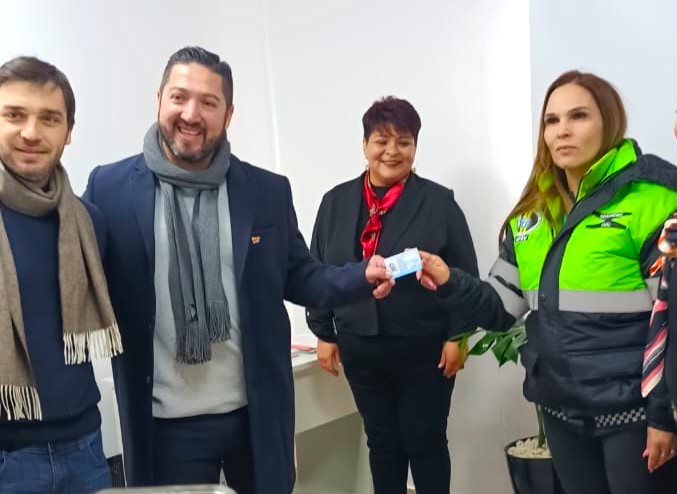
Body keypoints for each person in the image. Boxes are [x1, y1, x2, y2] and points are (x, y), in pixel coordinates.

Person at [83, 46, 393, 494]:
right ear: (159, 100)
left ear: (228, 114)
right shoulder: (109, 188)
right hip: (164, 424)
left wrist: (359, 277)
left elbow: (300, 275)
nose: (191, 114)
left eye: (208, 102)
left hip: (255, 416)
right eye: (179, 97)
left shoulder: (265, 191)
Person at [417, 71, 677, 494]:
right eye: (551, 121)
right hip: (560, 410)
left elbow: (670, 323)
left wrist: (664, 415)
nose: (562, 131)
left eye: (578, 116)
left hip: (634, 416)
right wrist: (449, 281)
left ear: (609, 121)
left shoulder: (655, 199)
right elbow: (500, 309)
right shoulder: (533, 216)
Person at [305, 96, 478, 494]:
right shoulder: (335, 203)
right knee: (382, 442)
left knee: (425, 441)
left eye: (404, 141)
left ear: (415, 146)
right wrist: (324, 332)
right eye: (382, 141)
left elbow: (464, 273)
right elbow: (318, 271)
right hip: (360, 345)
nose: (392, 151)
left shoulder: (439, 202)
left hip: (424, 347)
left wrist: (458, 335)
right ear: (365, 145)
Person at [0, 56, 121, 493]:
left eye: (50, 118)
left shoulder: (88, 222)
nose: (31, 132)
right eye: (15, 115)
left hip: (85, 448)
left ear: (68, 131)